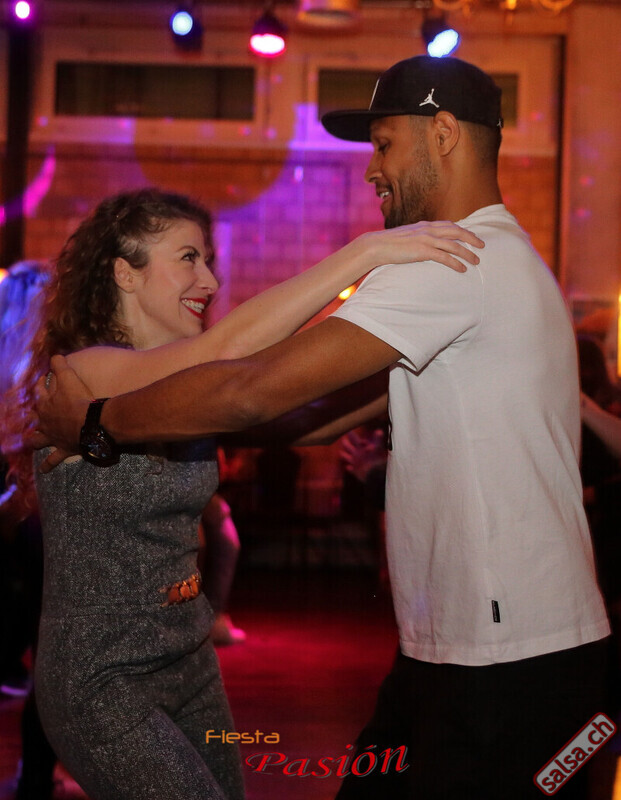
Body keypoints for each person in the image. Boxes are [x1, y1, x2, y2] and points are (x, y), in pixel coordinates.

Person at [32, 56, 609, 799]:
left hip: (503, 657)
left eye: (384, 144)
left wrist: (98, 424)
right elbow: (305, 419)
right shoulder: (503, 257)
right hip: (486, 648)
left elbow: (250, 389)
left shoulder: (450, 262)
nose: (371, 169)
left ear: (442, 134)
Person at [2, 186, 481, 800]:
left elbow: (313, 420)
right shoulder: (85, 372)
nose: (210, 280)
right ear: (125, 272)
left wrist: (434, 358)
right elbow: (224, 353)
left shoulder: (188, 392)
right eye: (189, 258)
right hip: (103, 679)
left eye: (209, 261)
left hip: (190, 660)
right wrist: (366, 251)